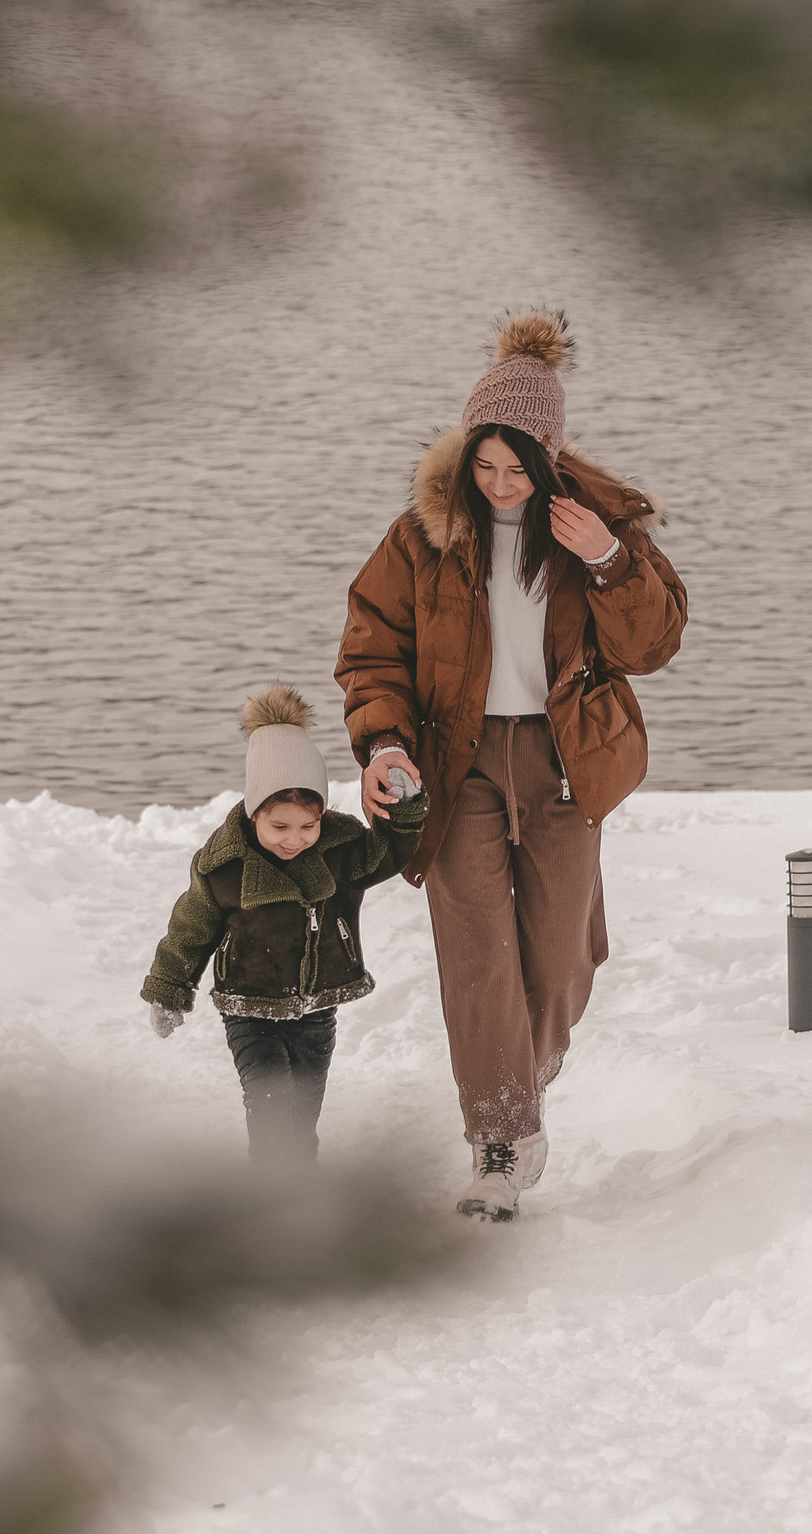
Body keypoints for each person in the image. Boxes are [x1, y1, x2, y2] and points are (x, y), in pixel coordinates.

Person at [337, 311, 688, 1220]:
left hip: (567, 759)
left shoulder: (592, 529)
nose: (498, 485)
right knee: (477, 950)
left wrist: (607, 561)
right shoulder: (421, 536)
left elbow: (653, 646)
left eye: (516, 469)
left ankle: (523, 1073)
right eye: (482, 466)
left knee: (561, 954)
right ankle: (501, 1140)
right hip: (458, 762)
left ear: (548, 459)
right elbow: (372, 651)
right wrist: (383, 744)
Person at [140, 685, 427, 1165]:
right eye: (279, 827)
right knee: (271, 1104)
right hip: (248, 1008)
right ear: (254, 813)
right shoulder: (224, 866)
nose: (294, 839)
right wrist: (170, 988)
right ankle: (272, 1192)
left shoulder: (340, 852)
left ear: (321, 818)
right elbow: (191, 928)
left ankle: (298, 1190)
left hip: (317, 1009)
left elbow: (388, 855)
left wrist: (403, 811)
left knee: (303, 1110)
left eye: (306, 827)